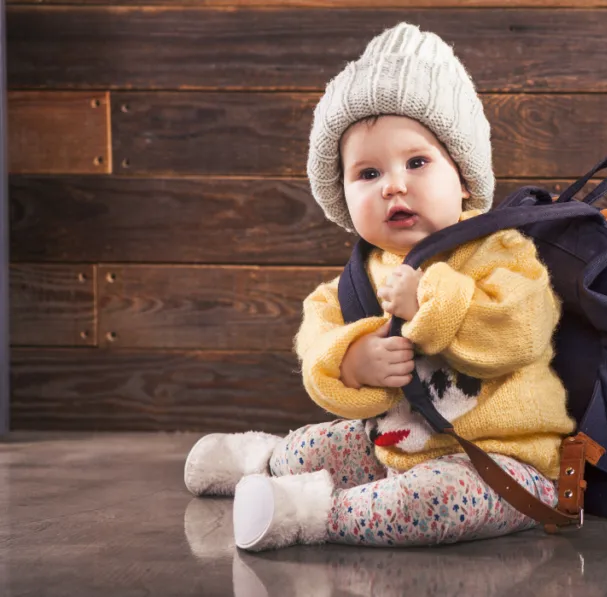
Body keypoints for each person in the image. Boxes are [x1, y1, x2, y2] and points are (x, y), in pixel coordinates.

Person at [183, 22, 574, 551]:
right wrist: (348, 361)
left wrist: (433, 303)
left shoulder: (501, 251)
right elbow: (315, 347)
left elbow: (521, 331)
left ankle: (311, 513)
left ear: (462, 179)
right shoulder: (354, 279)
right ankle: (263, 460)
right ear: (342, 196)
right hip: (392, 446)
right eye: (367, 173)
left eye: (417, 162)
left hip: (500, 460)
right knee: (313, 448)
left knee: (429, 504)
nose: (394, 183)